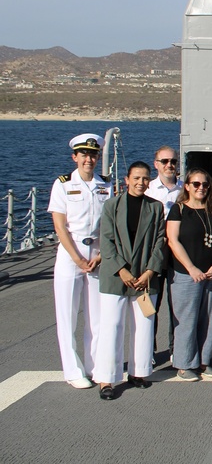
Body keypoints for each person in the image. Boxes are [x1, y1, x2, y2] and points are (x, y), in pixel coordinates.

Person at [94, 161, 167, 400]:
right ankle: (107, 378)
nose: (140, 183)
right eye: (136, 178)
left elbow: (160, 242)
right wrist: (122, 270)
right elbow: (106, 242)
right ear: (126, 180)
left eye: (145, 179)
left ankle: (139, 372)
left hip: (144, 276)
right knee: (111, 327)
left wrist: (149, 271)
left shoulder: (155, 208)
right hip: (116, 276)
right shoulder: (111, 206)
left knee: (144, 325)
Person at [48, 133, 111, 389]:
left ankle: (95, 366)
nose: (89, 159)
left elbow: (109, 224)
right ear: (75, 157)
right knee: (67, 316)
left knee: (97, 317)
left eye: (93, 154)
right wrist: (76, 258)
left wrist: (100, 255)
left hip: (97, 253)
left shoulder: (105, 185)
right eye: (84, 154)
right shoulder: (62, 184)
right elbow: (60, 226)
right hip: (70, 253)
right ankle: (73, 370)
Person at [167, 170, 212, 381]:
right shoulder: (179, 210)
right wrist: (192, 268)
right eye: (195, 184)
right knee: (187, 319)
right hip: (186, 274)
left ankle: (204, 361)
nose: (200, 187)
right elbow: (173, 240)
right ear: (187, 186)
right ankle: (185, 364)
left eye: (204, 184)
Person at [147, 145, 181, 355]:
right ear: (156, 164)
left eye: (173, 162)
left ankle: (176, 348)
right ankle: (148, 351)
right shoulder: (148, 190)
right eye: (165, 161)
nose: (170, 165)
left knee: (177, 305)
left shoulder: (186, 190)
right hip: (154, 255)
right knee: (151, 304)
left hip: (177, 254)